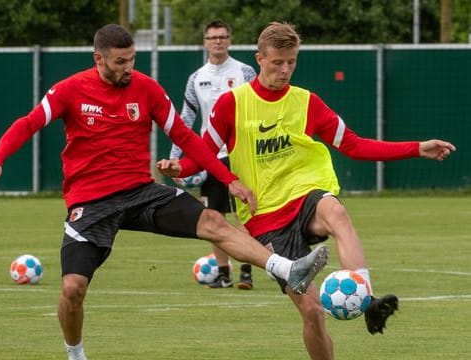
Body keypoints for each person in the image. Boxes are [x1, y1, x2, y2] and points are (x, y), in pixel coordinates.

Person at [0, 24, 330, 360]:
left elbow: (186, 137)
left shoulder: (146, 88)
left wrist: (227, 177)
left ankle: (287, 267)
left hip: (140, 192)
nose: (128, 68)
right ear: (99, 59)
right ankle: (75, 354)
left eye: (132, 60)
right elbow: (29, 122)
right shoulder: (70, 90)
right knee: (72, 289)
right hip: (91, 202)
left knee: (213, 221)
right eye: (120, 62)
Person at [157, 22, 456, 359]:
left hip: (305, 195)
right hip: (265, 218)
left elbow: (355, 146)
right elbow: (203, 153)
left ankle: (367, 299)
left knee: (336, 212)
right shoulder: (231, 105)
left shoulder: (307, 102)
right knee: (313, 313)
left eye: (292, 62)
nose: (285, 70)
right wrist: (178, 168)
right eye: (277, 63)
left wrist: (417, 148)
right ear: (259, 59)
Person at [170, 20, 257, 290]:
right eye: (212, 37)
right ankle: (223, 274)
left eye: (222, 37)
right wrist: (176, 156)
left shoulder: (245, 72)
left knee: (244, 214)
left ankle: (246, 271)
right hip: (210, 156)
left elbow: (257, 108)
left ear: (230, 40)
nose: (217, 41)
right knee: (213, 216)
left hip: (240, 153)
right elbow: (186, 119)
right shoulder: (196, 78)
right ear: (205, 42)